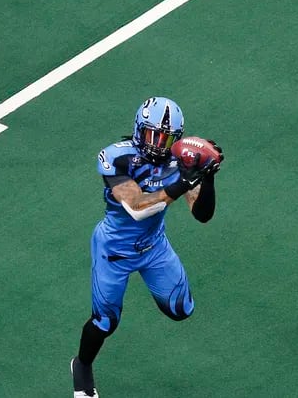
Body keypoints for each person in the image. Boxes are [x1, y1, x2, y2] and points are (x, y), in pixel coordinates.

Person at [70, 97, 223, 397]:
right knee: (105, 322)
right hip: (114, 250)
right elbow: (137, 208)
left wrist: (208, 179)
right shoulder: (117, 158)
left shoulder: (179, 160)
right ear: (139, 129)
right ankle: (82, 367)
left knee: (181, 309)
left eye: (166, 138)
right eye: (153, 135)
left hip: (154, 246)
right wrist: (182, 183)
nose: (158, 144)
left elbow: (203, 215)